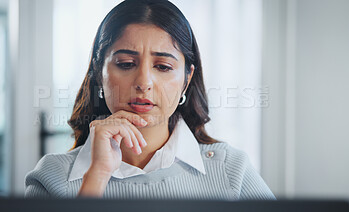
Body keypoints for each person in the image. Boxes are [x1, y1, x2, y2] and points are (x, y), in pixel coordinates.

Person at [25, 0, 276, 200]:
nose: (144, 82)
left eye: (164, 67)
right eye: (125, 64)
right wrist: (97, 176)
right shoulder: (52, 177)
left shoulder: (231, 169)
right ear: (98, 74)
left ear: (187, 80)